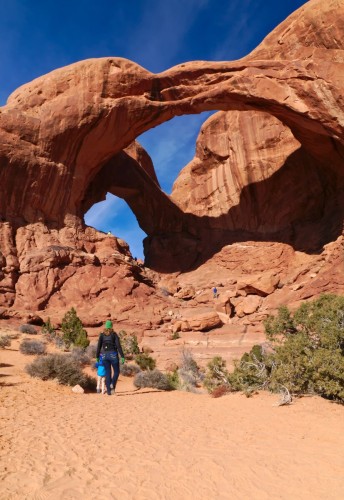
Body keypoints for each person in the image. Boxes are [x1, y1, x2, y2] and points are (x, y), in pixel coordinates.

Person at [96, 320, 125, 396]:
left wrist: (97, 357)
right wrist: (122, 356)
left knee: (108, 373)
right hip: (113, 355)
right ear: (111, 326)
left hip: (104, 356)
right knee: (116, 371)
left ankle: (109, 392)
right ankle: (112, 384)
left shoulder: (102, 335)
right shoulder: (114, 334)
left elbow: (98, 347)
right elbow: (118, 346)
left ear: (105, 326)